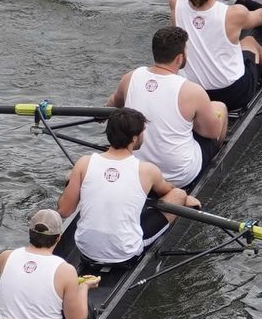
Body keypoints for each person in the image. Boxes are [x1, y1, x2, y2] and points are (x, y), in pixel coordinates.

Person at [56, 108, 200, 272]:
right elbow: (169, 191)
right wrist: (185, 198)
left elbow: (64, 211)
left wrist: (71, 181)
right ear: (134, 138)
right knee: (179, 195)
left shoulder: (84, 163)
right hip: (125, 255)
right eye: (142, 132)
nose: (144, 135)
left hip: (86, 250)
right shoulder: (147, 170)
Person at [106, 27, 228, 188]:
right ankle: (216, 161)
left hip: (136, 170)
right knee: (219, 107)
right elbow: (212, 133)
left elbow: (111, 105)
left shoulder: (130, 77)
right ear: (179, 58)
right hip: (179, 176)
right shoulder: (192, 90)